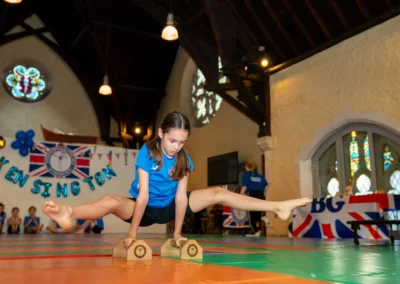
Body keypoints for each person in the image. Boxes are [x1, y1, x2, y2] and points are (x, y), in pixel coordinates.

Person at [42, 111, 312, 248]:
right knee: (112, 200)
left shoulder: (184, 159)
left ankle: (278, 207)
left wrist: (178, 233)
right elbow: (144, 195)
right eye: (172, 140)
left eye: (182, 142)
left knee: (218, 191)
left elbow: (182, 197)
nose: (175, 147)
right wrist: (133, 234)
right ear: (160, 133)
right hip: (143, 208)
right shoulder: (147, 153)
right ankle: (70, 212)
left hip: (172, 206)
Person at [240, 160, 268, 236]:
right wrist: (264, 194)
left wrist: (240, 196)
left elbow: (244, 187)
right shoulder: (260, 176)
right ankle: (259, 228)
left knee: (251, 214)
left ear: (246, 167)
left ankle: (255, 231)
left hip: (251, 194)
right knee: (257, 212)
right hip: (260, 195)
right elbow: (266, 185)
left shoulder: (246, 175)